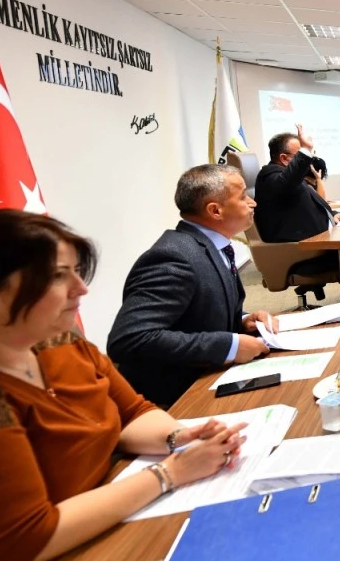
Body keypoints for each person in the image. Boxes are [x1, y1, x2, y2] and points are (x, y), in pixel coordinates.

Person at [0, 210, 247, 561]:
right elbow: (26, 539)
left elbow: (132, 413)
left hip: (114, 510)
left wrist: (180, 437)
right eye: (58, 276)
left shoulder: (63, 343)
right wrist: (169, 473)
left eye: (77, 271)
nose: (81, 289)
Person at [108, 164, 277, 408]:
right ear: (215, 210)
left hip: (211, 377)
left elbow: (194, 313)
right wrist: (229, 346)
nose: (253, 203)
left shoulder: (209, 246)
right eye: (243, 197)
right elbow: (130, 339)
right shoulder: (173, 257)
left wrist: (242, 320)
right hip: (178, 400)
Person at [253, 124, 340, 276]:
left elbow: (313, 202)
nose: (309, 161)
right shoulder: (271, 177)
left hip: (316, 243)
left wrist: (333, 214)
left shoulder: (285, 177)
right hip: (301, 252)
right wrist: (305, 150)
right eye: (298, 154)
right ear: (284, 158)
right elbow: (288, 181)